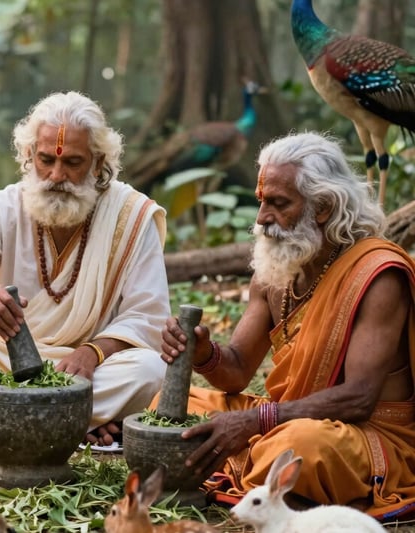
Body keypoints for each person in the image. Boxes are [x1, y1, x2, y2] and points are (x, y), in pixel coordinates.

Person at [155, 131, 415, 518]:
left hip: (363, 434)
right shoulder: (273, 270)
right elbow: (239, 370)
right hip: (285, 417)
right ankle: (260, 468)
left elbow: (359, 399)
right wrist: (205, 353)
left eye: (278, 204)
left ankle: (256, 464)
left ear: (323, 207)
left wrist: (256, 421)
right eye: (261, 202)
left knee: (299, 447)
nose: (262, 220)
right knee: (168, 404)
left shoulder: (377, 275)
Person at [0, 91, 170, 446]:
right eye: (46, 160)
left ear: (98, 162)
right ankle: (72, 422)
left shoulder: (132, 216)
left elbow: (148, 316)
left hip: (89, 370)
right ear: (29, 156)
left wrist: (92, 353)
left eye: (73, 163)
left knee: (150, 370)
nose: (57, 175)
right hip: (9, 361)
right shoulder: (3, 207)